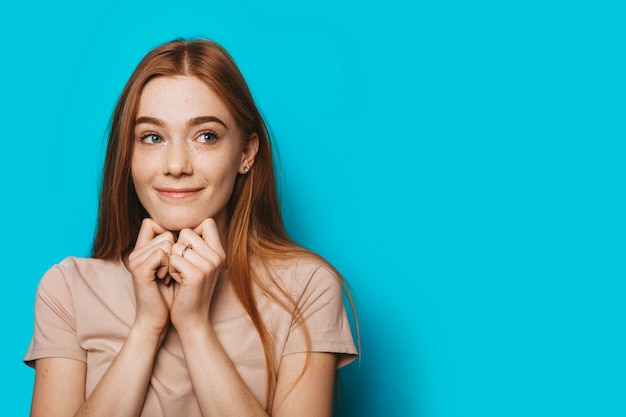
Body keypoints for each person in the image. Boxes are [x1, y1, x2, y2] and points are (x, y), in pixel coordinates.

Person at [24, 38, 358, 417]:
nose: (177, 164)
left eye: (206, 136)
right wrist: (147, 327)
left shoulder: (307, 288)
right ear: (127, 154)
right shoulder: (67, 289)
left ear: (246, 153)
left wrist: (195, 327)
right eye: (152, 137)